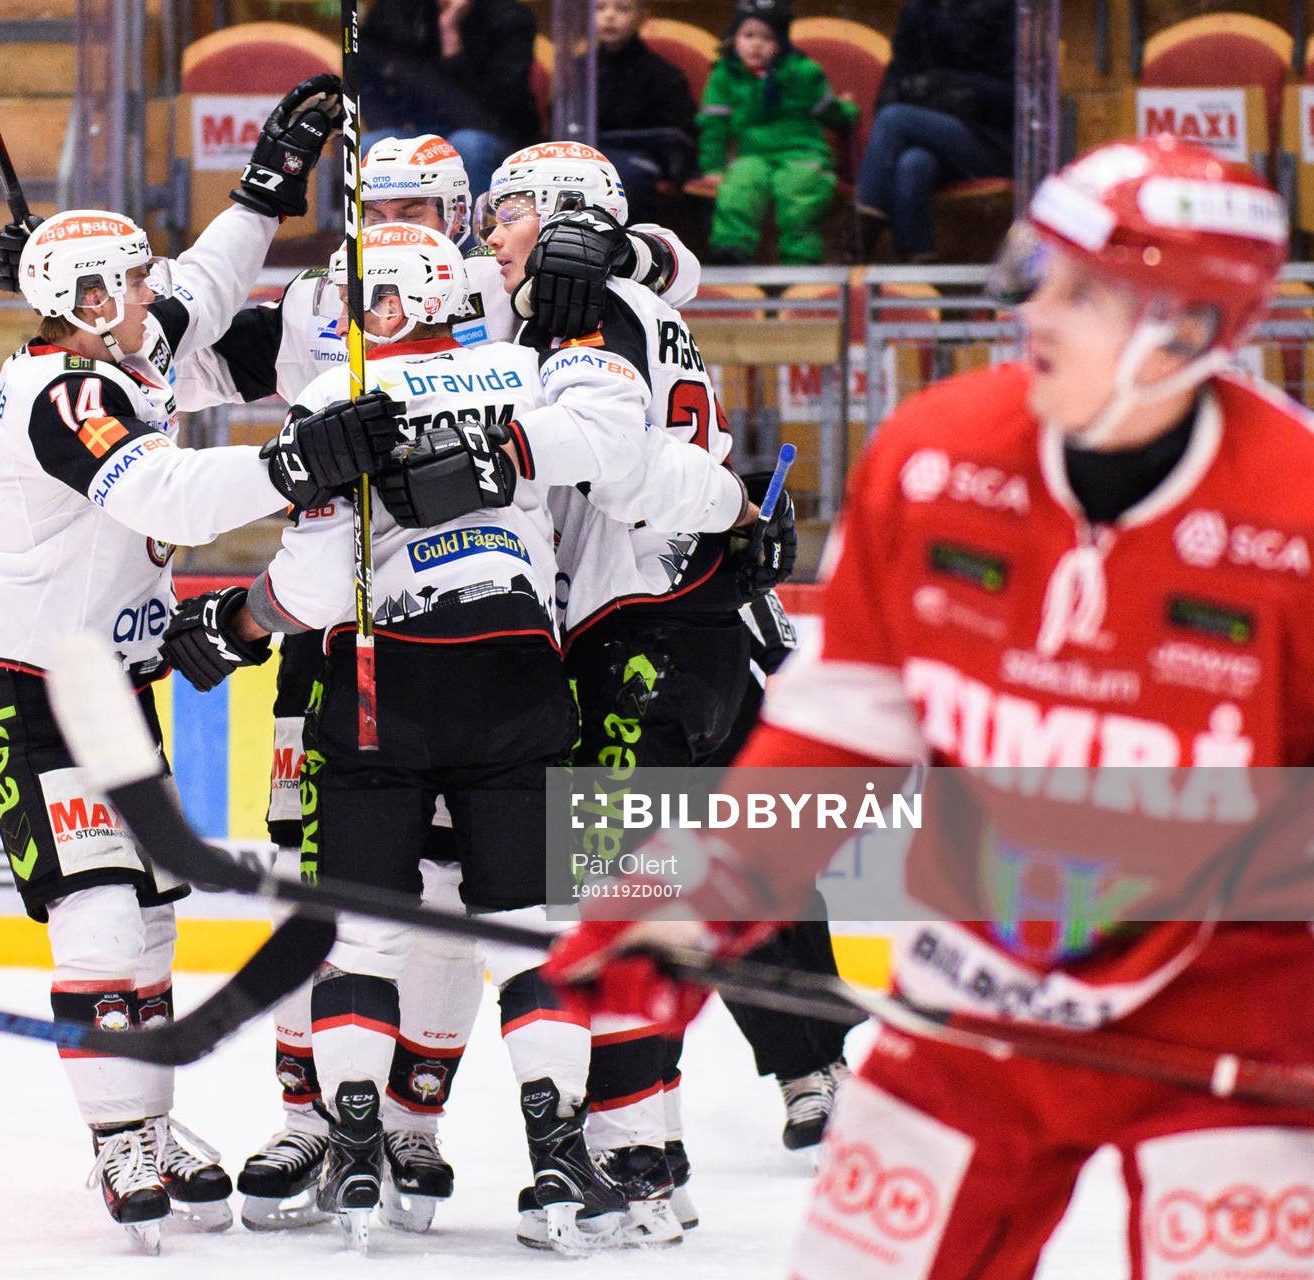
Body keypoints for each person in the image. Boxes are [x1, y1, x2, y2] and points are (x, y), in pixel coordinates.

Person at [546, 135, 1314, 1279]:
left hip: (1227, 1025)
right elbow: (841, 730)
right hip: (981, 998)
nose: (1033, 313)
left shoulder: (1293, 515)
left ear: (1192, 328)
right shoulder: (935, 457)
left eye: (1083, 291)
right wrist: (702, 889)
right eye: (1038, 274)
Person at [167, 133, 703, 1235]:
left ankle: (391, 1125)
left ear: (464, 214)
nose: (393, 225)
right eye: (378, 205)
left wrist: (237, 616)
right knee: (405, 897)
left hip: (378, 648)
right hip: (492, 648)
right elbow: (174, 355)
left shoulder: (514, 290)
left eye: (419, 206)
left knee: (409, 906)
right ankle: (341, 1123)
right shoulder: (450, 327)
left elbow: (660, 276)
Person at [0, 75, 353, 1254]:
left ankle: (148, 1115)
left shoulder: (118, 351)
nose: (146, 292)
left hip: (108, 684)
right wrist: (290, 467)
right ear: (80, 303)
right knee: (96, 917)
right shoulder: (63, 391)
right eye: (123, 282)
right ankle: (117, 1134)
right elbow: (164, 490)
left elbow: (204, 289)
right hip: (28, 685)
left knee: (150, 914)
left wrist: (267, 190)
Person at [479, 150, 856, 1237]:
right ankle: (794, 1076)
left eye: (509, 212)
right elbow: (667, 263)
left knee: (629, 892)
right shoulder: (631, 293)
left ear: (562, 219)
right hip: (704, 624)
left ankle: (639, 1156)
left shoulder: (583, 305)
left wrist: (727, 502)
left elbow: (621, 468)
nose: (489, 232)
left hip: (636, 633)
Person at [693, 0, 856, 265]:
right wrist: (713, 167)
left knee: (800, 191)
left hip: (802, 152)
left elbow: (832, 113)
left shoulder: (803, 71)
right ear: (734, 38)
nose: (756, 45)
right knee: (739, 186)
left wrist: (848, 110)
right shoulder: (724, 75)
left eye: (767, 37)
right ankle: (731, 252)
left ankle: (800, 261)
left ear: (782, 42)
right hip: (753, 155)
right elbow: (714, 127)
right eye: (748, 35)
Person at [858, 0, 1015, 262]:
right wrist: (911, 91)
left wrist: (954, 87)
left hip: (991, 142)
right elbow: (890, 88)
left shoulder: (1005, 11)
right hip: (933, 139)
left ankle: (859, 243)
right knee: (913, 165)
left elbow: (1020, 94)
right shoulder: (919, 12)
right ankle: (918, 271)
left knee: (893, 119)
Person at [364, 0, 542, 199]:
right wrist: (390, 122)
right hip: (420, 129)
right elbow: (368, 78)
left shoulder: (510, 16)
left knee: (467, 146)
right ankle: (386, 219)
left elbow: (502, 100)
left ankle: (475, 219)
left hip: (493, 131)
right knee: (371, 146)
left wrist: (450, 32)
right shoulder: (400, 11)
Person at [593, 0, 699, 224]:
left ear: (643, 17)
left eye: (622, 9)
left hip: (639, 160)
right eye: (600, 8)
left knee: (618, 180)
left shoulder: (664, 75)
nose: (609, 16)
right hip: (591, 154)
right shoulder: (579, 69)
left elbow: (676, 136)